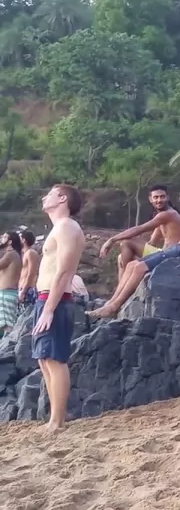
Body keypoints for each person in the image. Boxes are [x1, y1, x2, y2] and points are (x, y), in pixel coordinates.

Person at [88, 178, 180, 319]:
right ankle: (111, 302)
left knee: (139, 267)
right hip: (179, 248)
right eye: (155, 197)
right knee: (132, 265)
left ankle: (114, 307)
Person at [32, 184, 85, 431]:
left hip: (56, 300)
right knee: (44, 358)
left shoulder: (66, 226)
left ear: (62, 198)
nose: (45, 196)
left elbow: (63, 270)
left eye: (50, 193)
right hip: (45, 298)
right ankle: (56, 417)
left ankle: (58, 421)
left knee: (54, 358)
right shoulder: (59, 227)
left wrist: (49, 308)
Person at [99, 185, 180, 281]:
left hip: (172, 256)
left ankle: (123, 285)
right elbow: (152, 243)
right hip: (163, 253)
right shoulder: (161, 217)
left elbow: (140, 229)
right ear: (150, 199)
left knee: (127, 242)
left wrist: (112, 240)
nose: (159, 200)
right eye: (156, 197)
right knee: (122, 257)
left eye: (162, 196)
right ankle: (123, 286)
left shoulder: (168, 214)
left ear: (168, 197)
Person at [0, 231, 23, 336]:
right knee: (8, 323)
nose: (1, 239)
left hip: (6, 293)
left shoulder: (10, 254)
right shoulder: (15, 254)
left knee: (7, 324)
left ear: (10, 242)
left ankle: (7, 347)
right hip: (10, 292)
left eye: (4, 237)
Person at [18, 230, 39, 309]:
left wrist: (24, 291)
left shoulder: (31, 253)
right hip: (23, 287)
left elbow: (31, 273)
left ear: (24, 240)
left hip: (28, 289)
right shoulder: (25, 253)